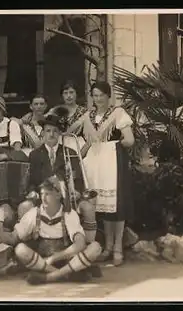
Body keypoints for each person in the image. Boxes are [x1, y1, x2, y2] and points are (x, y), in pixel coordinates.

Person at [17, 114, 102, 277]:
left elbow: (78, 180)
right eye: (48, 131)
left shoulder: (69, 153)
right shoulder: (35, 155)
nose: (51, 134)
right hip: (45, 199)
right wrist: (33, 191)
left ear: (60, 134)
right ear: (42, 134)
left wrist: (76, 190)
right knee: (24, 207)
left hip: (67, 198)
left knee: (88, 207)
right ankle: (31, 252)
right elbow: (31, 182)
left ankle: (87, 249)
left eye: (55, 131)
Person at [3, 176, 102, 285]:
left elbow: (80, 244)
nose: (43, 198)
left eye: (47, 194)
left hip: (66, 261)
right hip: (42, 263)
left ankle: (49, 278)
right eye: (42, 194)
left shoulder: (68, 214)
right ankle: (64, 275)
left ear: (58, 195)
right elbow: (14, 237)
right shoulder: (34, 213)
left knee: (95, 247)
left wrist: (54, 257)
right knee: (20, 249)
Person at [78, 81, 135, 267]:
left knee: (116, 206)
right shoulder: (89, 115)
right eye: (94, 95)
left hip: (112, 160)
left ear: (108, 95)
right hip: (95, 162)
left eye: (101, 95)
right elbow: (86, 141)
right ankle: (108, 247)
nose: (98, 99)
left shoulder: (118, 113)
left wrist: (115, 146)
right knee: (102, 206)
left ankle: (118, 247)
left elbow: (129, 140)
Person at [46, 80, 88, 150]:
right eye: (65, 93)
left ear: (76, 93)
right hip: (59, 143)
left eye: (71, 92)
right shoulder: (55, 110)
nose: (69, 96)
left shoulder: (84, 112)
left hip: (78, 144)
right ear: (62, 95)